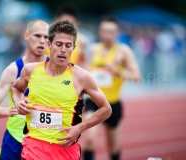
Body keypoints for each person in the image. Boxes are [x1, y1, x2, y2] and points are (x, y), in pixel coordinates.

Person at [11, 20, 112, 160]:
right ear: (49, 45)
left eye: (68, 45)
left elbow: (106, 109)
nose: (63, 49)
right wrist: (17, 102)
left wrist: (80, 127)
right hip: (33, 146)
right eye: (59, 44)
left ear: (73, 48)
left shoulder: (82, 77)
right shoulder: (30, 71)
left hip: (65, 149)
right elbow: (16, 88)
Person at [0, 19, 49, 160]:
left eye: (46, 37)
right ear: (26, 36)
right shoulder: (13, 70)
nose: (42, 41)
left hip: (44, 142)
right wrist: (7, 111)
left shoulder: (57, 69)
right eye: (37, 36)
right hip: (15, 140)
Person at [83, 15, 141, 160]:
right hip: (93, 101)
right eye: (104, 31)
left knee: (112, 146)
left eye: (111, 32)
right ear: (99, 31)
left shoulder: (123, 51)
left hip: (112, 104)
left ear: (117, 33)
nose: (107, 35)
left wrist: (117, 72)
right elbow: (86, 70)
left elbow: (137, 77)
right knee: (89, 139)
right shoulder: (93, 49)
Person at [54, 4, 88, 69]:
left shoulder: (81, 41)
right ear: (56, 20)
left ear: (76, 23)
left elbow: (85, 64)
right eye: (64, 22)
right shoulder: (46, 38)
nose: (67, 27)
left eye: (71, 23)